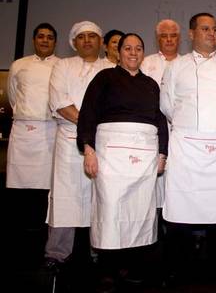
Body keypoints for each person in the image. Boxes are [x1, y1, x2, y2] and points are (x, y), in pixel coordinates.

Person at [77, 33, 168, 289]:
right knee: (111, 208)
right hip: (110, 155)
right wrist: (89, 149)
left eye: (138, 48)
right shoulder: (104, 78)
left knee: (140, 211)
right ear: (118, 51)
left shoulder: (151, 84)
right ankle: (108, 268)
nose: (133, 53)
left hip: (145, 157)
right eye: (128, 48)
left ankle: (134, 266)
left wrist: (162, 153)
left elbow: (160, 121)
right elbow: (88, 113)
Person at [159, 13, 216, 283]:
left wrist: (214, 131)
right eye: (205, 29)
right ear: (191, 33)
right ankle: (178, 268)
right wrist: (192, 129)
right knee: (181, 206)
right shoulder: (176, 67)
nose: (211, 34)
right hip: (185, 146)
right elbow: (168, 106)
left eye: (215, 29)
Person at [45, 21, 112, 270]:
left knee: (102, 197)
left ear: (101, 41)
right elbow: (59, 101)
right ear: (74, 42)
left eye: (92, 36)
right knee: (64, 196)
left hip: (102, 141)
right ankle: (57, 253)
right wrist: (88, 123)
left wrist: (94, 127)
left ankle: (99, 249)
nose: (87, 41)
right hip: (69, 139)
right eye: (81, 37)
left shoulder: (111, 68)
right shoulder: (62, 66)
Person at [6, 23, 59, 237]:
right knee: (19, 187)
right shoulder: (18, 65)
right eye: (41, 36)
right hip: (22, 131)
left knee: (45, 188)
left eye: (49, 37)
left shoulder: (61, 65)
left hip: (49, 130)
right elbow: (12, 96)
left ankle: (40, 232)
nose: (45, 40)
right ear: (34, 40)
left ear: (55, 42)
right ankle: (18, 233)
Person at [141, 19, 180, 212]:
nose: (169, 40)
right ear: (157, 39)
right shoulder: (146, 63)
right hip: (153, 131)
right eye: (164, 36)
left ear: (179, 39)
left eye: (173, 35)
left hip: (181, 132)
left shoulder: (187, 63)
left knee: (178, 182)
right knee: (153, 183)